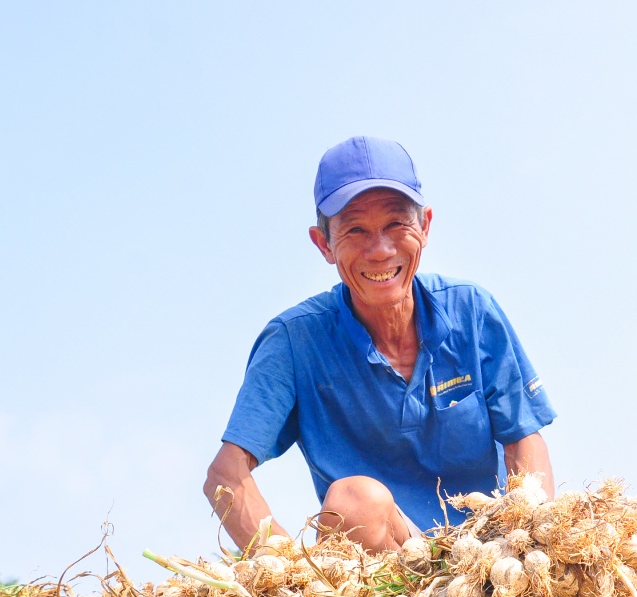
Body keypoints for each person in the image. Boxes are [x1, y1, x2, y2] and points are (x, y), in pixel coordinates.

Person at [207, 136, 556, 553]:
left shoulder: (471, 310)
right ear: (324, 245)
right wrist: (291, 576)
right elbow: (225, 476)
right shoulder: (294, 342)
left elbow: (524, 439)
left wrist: (533, 542)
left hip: (484, 557)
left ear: (424, 226)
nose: (380, 250)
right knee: (355, 501)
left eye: (396, 224)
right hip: (387, 563)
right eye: (355, 230)